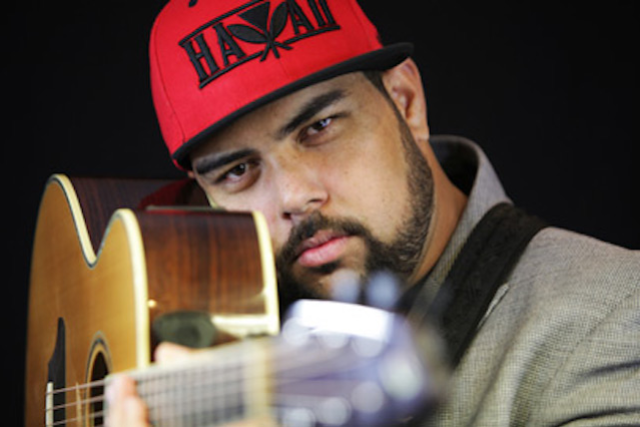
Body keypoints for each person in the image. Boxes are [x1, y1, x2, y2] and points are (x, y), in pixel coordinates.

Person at [107, 0, 640, 425]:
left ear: (406, 101)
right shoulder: (207, 310)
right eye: (238, 170)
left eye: (319, 128)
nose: (294, 197)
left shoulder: (617, 316)